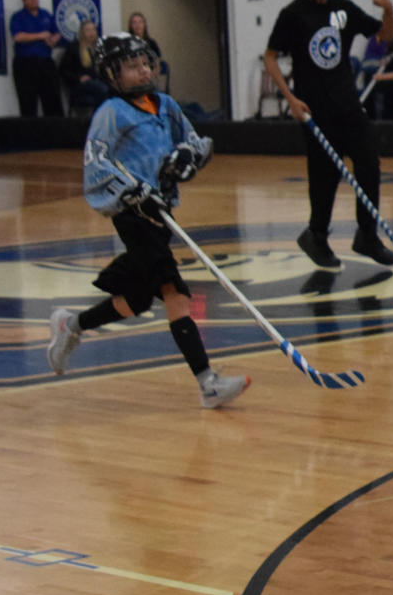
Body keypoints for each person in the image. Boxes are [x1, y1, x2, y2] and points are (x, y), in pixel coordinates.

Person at [46, 34, 248, 408]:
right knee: (174, 290)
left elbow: (194, 141)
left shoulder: (166, 104)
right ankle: (208, 383)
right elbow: (97, 162)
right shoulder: (111, 112)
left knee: (136, 299)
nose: (142, 71)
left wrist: (188, 155)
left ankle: (70, 326)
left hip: (161, 211)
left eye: (145, 63)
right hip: (133, 213)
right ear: (113, 74)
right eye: (131, 66)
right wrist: (131, 188)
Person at [263, 0, 393, 271]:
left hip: (349, 106)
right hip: (315, 110)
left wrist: (388, 9)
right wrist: (290, 99)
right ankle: (317, 236)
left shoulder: (344, 8)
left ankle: (367, 235)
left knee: (369, 165)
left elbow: (385, 36)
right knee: (324, 177)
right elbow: (270, 57)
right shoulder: (293, 14)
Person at [8, 0, 63, 117]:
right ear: (24, 0)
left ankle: (54, 133)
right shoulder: (18, 17)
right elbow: (18, 36)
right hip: (26, 63)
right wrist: (40, 35)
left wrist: (53, 39)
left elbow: (56, 33)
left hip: (45, 61)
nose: (33, 0)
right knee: (28, 102)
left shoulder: (45, 15)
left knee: (52, 100)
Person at [58, 19, 108, 113]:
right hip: (81, 84)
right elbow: (63, 70)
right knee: (103, 90)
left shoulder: (99, 48)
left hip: (98, 81)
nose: (91, 33)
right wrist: (78, 78)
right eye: (88, 30)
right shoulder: (74, 48)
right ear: (82, 32)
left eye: (93, 29)